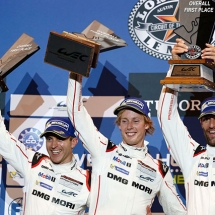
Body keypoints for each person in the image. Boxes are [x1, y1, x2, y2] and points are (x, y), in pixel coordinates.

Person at [66, 73, 186, 215]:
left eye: (136, 121)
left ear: (146, 124)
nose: (129, 126)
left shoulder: (159, 169)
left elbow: (177, 211)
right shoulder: (104, 150)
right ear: (119, 125)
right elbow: (76, 113)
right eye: (124, 121)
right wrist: (75, 73)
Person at [157, 38, 215, 215]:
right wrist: (176, 66)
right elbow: (166, 117)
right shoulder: (192, 156)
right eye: (207, 119)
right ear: (200, 123)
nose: (212, 125)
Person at [0, 115, 90, 214]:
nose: (53, 145)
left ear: (73, 142)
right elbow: (3, 140)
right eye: (49, 139)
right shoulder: (34, 162)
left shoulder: (87, 181)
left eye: (60, 139)